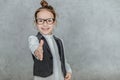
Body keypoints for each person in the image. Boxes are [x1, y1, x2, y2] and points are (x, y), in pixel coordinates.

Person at [28, 0, 72, 80]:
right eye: (40, 21)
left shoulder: (59, 41)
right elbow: (34, 47)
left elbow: (63, 60)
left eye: (49, 20)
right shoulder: (34, 39)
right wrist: (37, 52)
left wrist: (68, 70)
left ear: (54, 22)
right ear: (36, 23)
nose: (45, 24)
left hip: (59, 76)